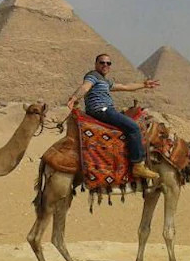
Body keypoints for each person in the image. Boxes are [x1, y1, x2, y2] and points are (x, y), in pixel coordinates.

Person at [66, 53, 160, 181]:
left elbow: (125, 87)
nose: (105, 65)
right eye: (102, 62)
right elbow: (85, 87)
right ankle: (138, 165)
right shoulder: (93, 76)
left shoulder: (104, 81)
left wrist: (144, 85)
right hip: (102, 110)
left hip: (107, 110)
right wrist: (74, 97)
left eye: (108, 63)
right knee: (133, 127)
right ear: (96, 64)